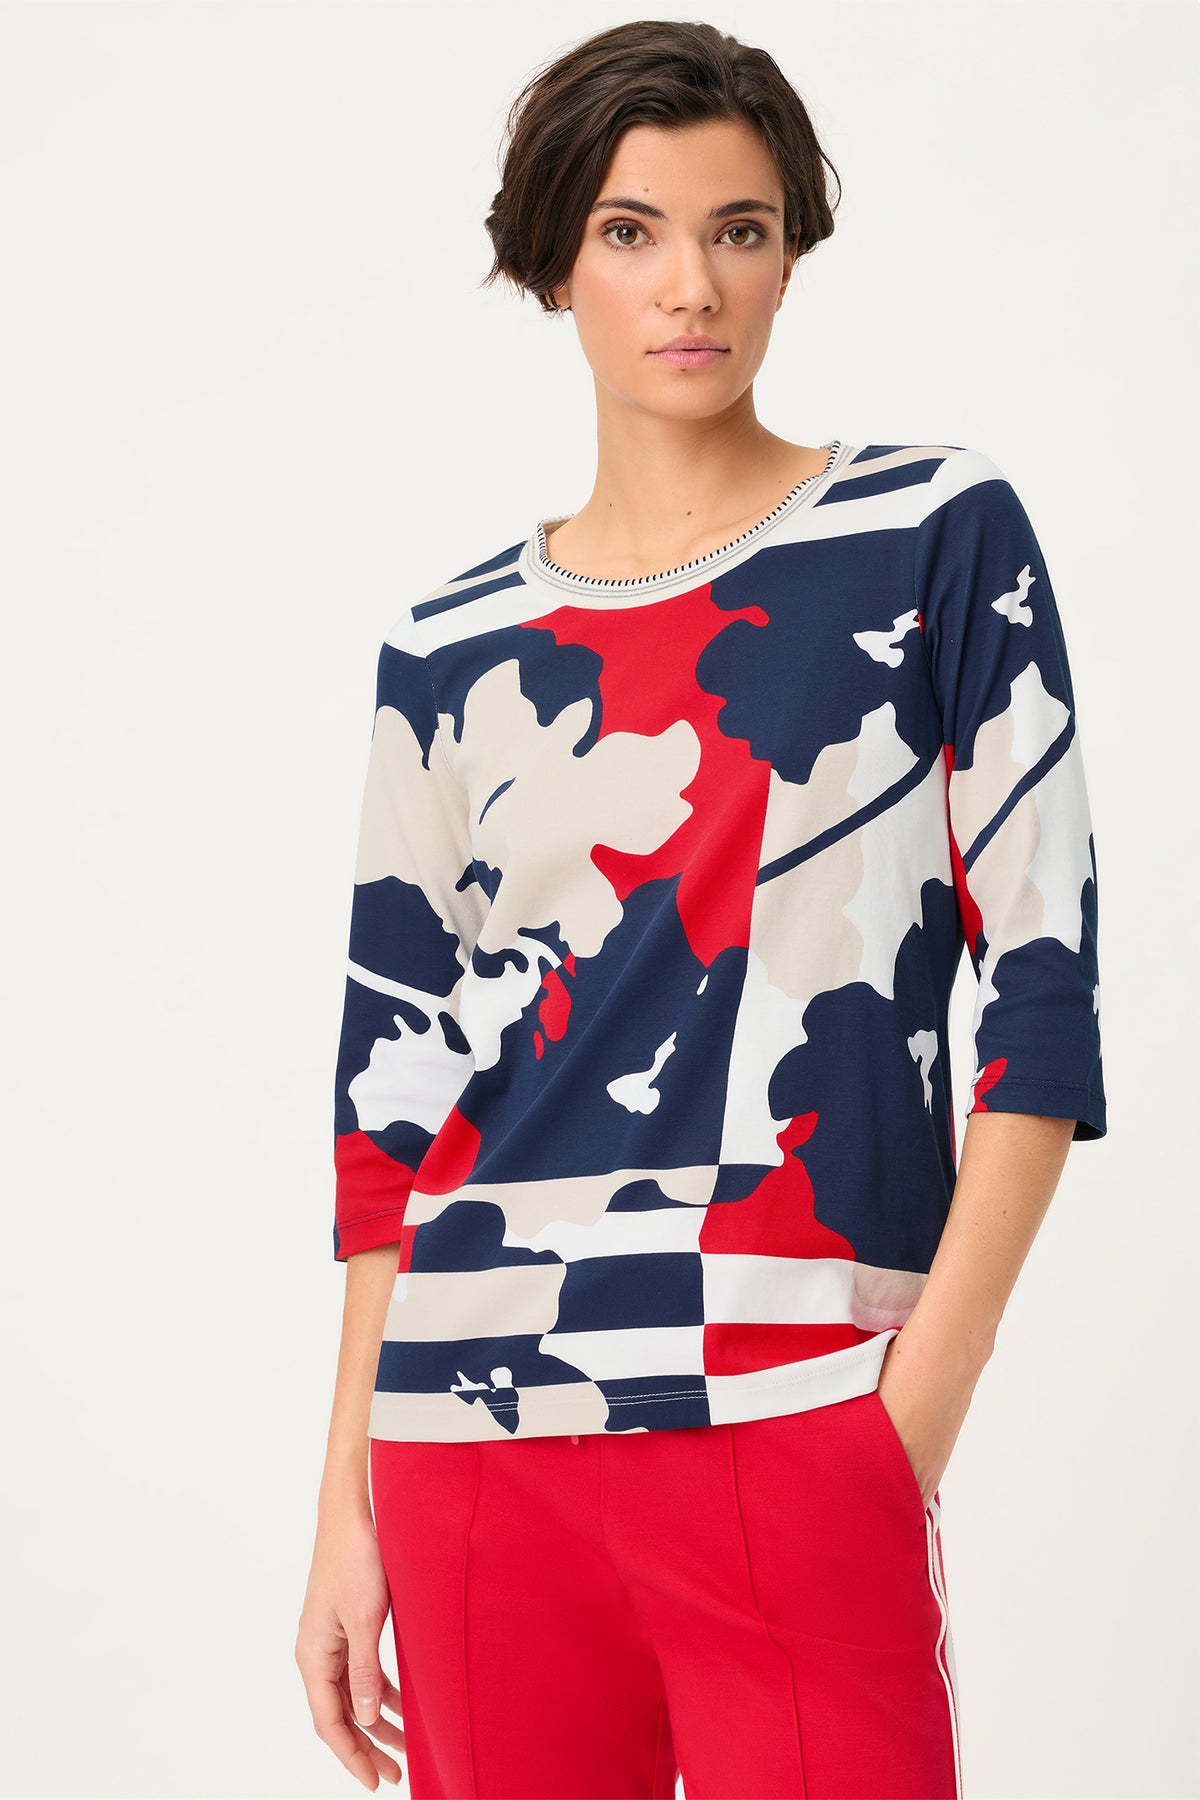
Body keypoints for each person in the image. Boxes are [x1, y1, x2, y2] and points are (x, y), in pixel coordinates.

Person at [295, 18, 1107, 1800]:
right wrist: (344, 1501)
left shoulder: (934, 534)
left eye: (740, 230)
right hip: (473, 1447)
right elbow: (392, 1101)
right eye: (631, 231)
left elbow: (1044, 996)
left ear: (791, 253)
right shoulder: (448, 647)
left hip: (799, 1415)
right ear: (553, 265)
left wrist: (911, 1413)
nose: (692, 286)